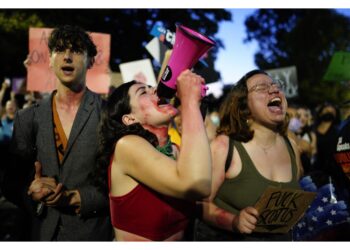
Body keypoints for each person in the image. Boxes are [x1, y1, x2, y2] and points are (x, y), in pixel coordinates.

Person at [3, 25, 113, 240]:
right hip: (39, 233)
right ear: (51, 60)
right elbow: (10, 183)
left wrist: (78, 198)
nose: (68, 57)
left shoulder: (109, 115)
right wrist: (31, 192)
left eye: (76, 50)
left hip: (91, 234)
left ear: (91, 61)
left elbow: (121, 181)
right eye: (60, 50)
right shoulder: (27, 118)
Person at [93, 69, 211, 241]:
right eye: (143, 92)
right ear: (129, 118)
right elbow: (197, 185)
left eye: (151, 87)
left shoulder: (176, 150)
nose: (155, 89)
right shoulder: (126, 146)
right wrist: (190, 102)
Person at [196, 69, 303, 241]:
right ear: (243, 107)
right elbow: (201, 204)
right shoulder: (224, 146)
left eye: (276, 85)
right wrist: (234, 221)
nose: (274, 90)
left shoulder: (291, 146)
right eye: (261, 87)